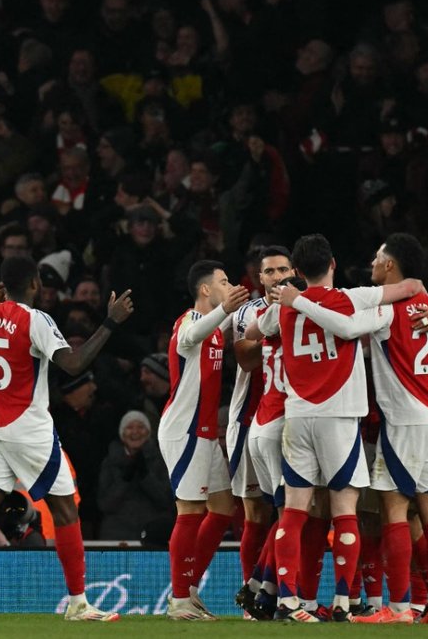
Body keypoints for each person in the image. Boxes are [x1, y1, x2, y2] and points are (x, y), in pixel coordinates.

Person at [0, 254, 134, 622]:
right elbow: (73, 363)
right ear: (36, 283)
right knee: (66, 509)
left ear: (2, 285)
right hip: (29, 428)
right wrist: (110, 323)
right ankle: (78, 604)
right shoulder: (37, 320)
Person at [296, 234, 428, 624]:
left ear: (389, 266)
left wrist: (298, 301)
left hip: (405, 422)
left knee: (394, 512)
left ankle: (399, 609)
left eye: (377, 258)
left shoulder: (389, 310)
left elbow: (348, 328)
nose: (372, 263)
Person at [257, 234, 422, 621]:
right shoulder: (353, 298)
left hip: (297, 416)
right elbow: (410, 287)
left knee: (293, 512)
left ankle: (287, 601)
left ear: (295, 271)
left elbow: (256, 329)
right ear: (333, 263)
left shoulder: (283, 307)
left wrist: (288, 299)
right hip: (339, 417)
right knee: (344, 508)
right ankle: (345, 602)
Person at [158, 260, 250, 620]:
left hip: (207, 433)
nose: (229, 287)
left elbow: (232, 320)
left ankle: (190, 586)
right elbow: (187, 338)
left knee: (223, 508)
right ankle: (180, 600)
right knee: (190, 511)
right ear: (205, 289)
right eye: (224, 282)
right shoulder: (189, 323)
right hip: (185, 430)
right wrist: (227, 310)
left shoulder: (213, 327)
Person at [228, 246, 293, 617]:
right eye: (269, 272)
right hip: (250, 420)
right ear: (258, 278)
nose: (277, 277)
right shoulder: (247, 313)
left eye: (283, 269)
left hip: (294, 421)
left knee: (291, 511)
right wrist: (275, 317)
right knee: (257, 513)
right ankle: (254, 603)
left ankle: (266, 589)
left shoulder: (308, 304)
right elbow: (247, 359)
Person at [95, 410, 170, 540]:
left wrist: (145, 477)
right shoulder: (110, 462)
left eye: (141, 427)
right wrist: (125, 480)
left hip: (152, 534)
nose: (135, 432)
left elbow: (166, 502)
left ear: (148, 432)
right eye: (129, 427)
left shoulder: (161, 460)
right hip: (117, 534)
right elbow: (105, 504)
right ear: (122, 434)